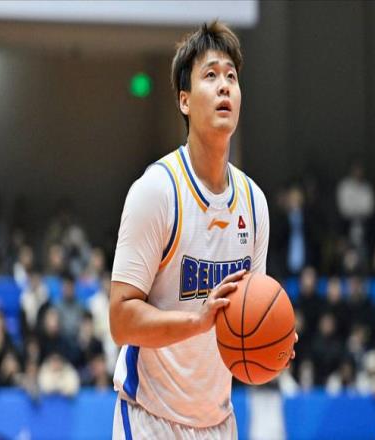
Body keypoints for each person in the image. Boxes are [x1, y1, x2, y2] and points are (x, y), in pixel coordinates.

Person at [109, 21, 293, 439]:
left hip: (218, 422)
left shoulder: (254, 202)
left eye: (231, 77)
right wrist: (198, 320)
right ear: (185, 100)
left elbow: (249, 315)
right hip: (149, 418)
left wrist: (276, 339)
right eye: (210, 75)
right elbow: (120, 320)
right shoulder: (157, 191)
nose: (224, 85)